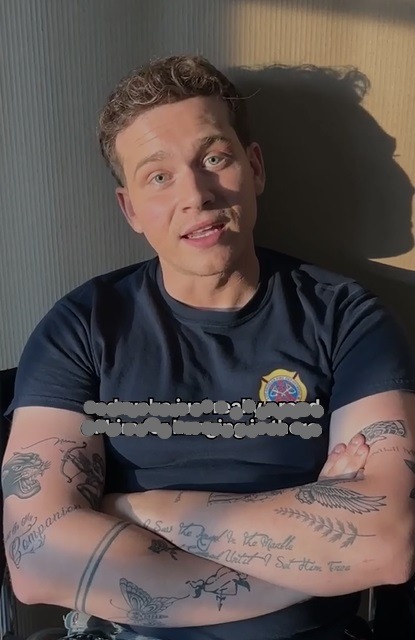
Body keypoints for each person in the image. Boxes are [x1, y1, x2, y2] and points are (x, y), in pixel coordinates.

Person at [2, 54, 415, 640]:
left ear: (255, 167)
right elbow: (38, 557)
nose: (196, 194)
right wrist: (318, 562)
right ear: (130, 209)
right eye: (158, 176)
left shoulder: (346, 318)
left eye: (214, 159)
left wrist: (132, 509)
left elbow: (386, 543)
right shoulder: (82, 327)